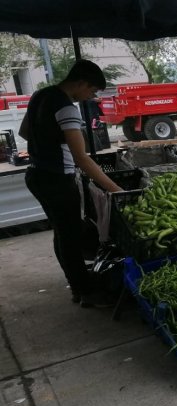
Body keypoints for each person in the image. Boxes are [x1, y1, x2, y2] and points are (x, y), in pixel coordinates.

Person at [18, 59, 123, 308]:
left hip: (37, 175)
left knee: (63, 232)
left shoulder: (39, 96)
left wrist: (48, 142)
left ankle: (77, 283)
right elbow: (83, 159)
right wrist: (117, 190)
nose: (90, 97)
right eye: (92, 91)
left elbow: (24, 132)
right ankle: (84, 291)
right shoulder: (67, 109)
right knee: (71, 236)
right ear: (81, 83)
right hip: (56, 179)